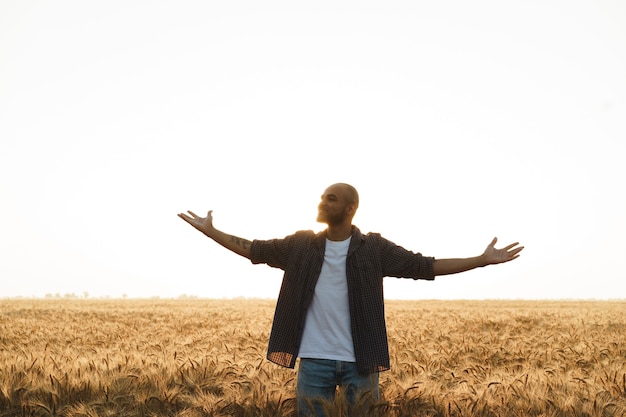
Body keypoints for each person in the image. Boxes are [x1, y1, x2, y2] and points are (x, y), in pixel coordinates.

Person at [178, 183, 523, 416]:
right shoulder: (301, 245)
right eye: (322, 196)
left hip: (362, 361)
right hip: (313, 360)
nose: (322, 202)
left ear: (350, 207)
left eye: (331, 198)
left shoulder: (374, 248)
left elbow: (425, 266)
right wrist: (211, 232)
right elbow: (254, 249)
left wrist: (480, 259)